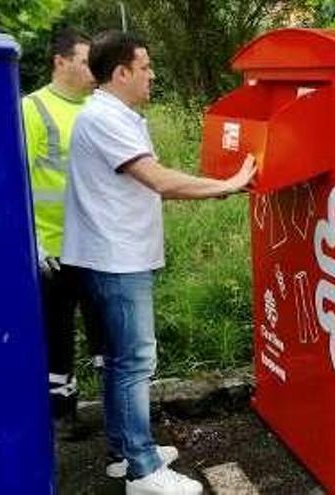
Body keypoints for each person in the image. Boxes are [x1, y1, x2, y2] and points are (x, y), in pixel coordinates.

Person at [61, 30, 256, 494]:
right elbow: (159, 180)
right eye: (145, 67)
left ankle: (121, 451)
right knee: (133, 362)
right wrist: (229, 183)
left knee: (116, 361)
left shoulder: (118, 115)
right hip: (116, 258)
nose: (152, 75)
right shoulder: (105, 118)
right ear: (121, 72)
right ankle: (143, 471)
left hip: (113, 254)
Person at [21, 27, 102, 438]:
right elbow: (15, 182)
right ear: (61, 61)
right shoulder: (32, 109)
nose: (93, 71)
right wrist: (32, 243)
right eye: (87, 61)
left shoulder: (98, 108)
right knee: (57, 335)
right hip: (52, 250)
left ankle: (116, 412)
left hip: (96, 246)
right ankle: (62, 414)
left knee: (104, 331)